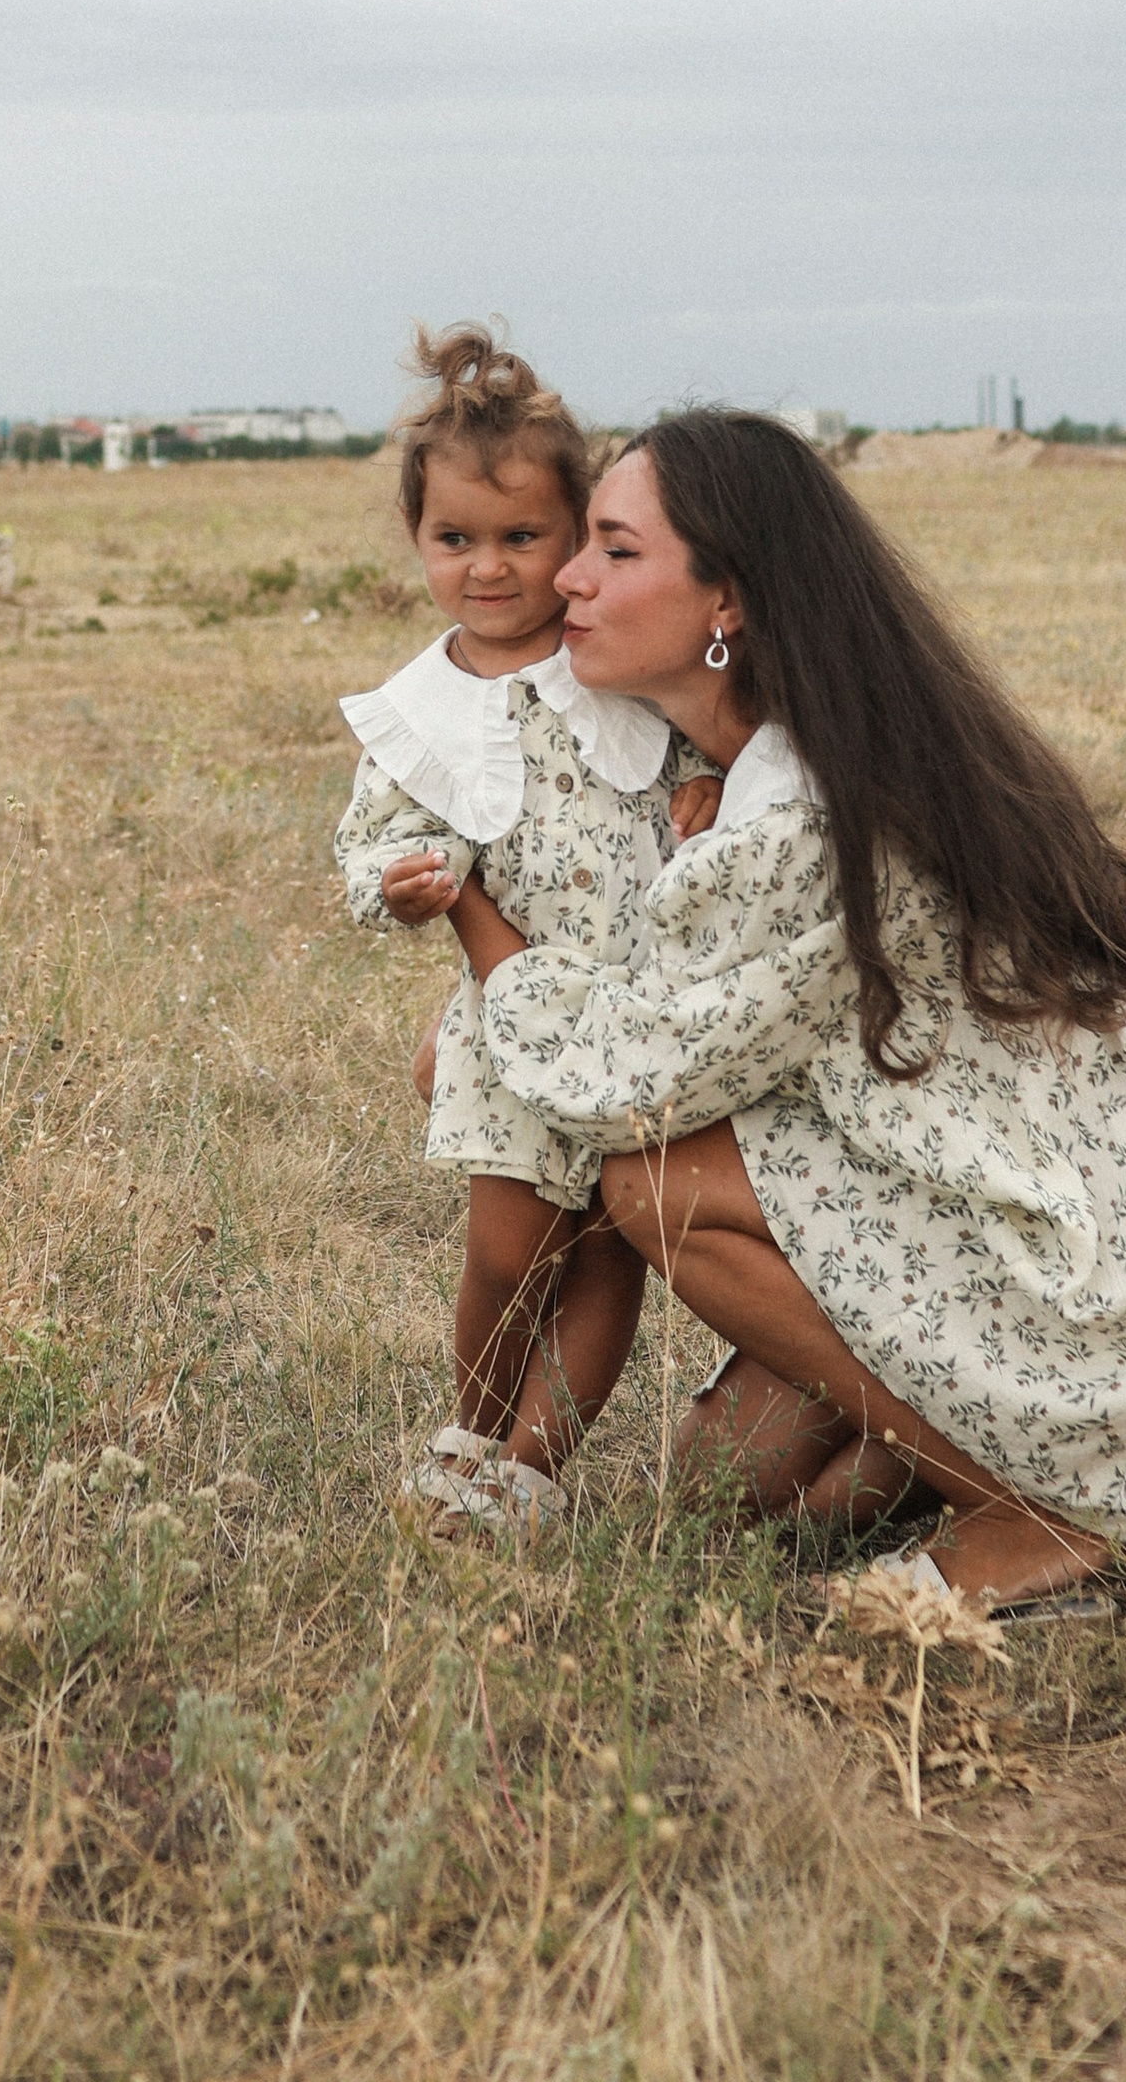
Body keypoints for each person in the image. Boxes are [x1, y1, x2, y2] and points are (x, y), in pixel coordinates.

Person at [395, 410, 1126, 1612]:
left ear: (729, 602)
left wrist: (472, 930)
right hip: (1106, 1216)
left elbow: (626, 1084)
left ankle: (1037, 1514)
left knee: (650, 1183)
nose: (566, 576)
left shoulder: (801, 810)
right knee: (727, 1489)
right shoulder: (814, 738)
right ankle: (1009, 1460)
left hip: (1123, 1276)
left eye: (615, 549)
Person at [332, 328, 720, 1539]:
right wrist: (397, 887)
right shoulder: (420, 710)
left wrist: (706, 787)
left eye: (522, 537)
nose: (489, 568)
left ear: (576, 540)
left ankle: (534, 1471)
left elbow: (702, 741)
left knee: (608, 1253)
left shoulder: (617, 661)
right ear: (417, 541)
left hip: (646, 1018)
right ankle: (471, 1434)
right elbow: (371, 841)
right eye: (455, 539)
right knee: (509, 1254)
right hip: (512, 1028)